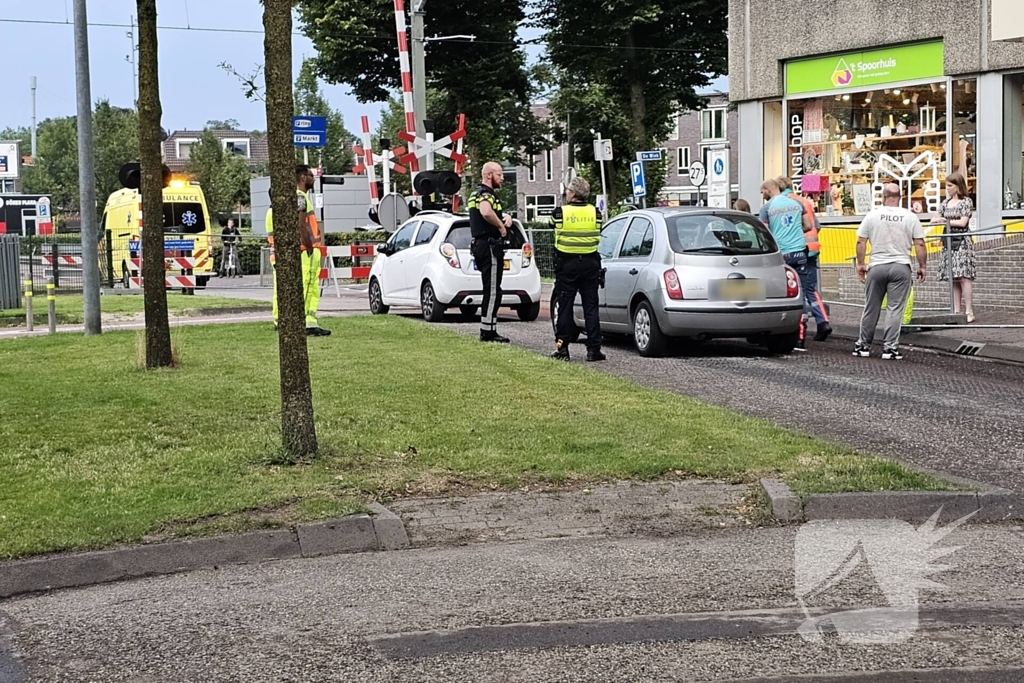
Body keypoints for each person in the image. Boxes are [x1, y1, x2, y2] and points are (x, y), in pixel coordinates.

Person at [853, 183, 927, 360]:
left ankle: (863, 345)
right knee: (895, 308)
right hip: (901, 267)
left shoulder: (872, 216)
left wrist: (861, 264)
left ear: (884, 197)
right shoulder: (910, 217)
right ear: (900, 198)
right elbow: (920, 243)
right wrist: (922, 266)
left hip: (877, 266)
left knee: (871, 307)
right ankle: (890, 348)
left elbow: (860, 242)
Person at [760, 179, 831, 349]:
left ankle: (799, 336)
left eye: (762, 192)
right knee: (808, 291)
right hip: (802, 252)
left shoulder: (767, 208)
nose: (762, 195)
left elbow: (764, 234)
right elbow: (809, 226)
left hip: (783, 255)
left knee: (790, 295)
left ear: (768, 190)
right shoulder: (797, 203)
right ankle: (822, 322)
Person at [266, 165, 331, 337]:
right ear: (302, 177)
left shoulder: (271, 211)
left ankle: (281, 320)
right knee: (308, 286)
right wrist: (309, 245)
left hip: (279, 254)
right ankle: (307, 322)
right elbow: (302, 224)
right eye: (311, 175)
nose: (313, 178)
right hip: (305, 252)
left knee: (281, 289)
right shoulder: (300, 197)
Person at [550, 176, 604, 362]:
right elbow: (599, 230)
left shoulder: (560, 213)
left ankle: (562, 349)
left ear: (571, 193)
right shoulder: (596, 213)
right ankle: (594, 350)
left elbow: (552, 225)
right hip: (590, 264)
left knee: (565, 307)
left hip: (567, 265)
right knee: (591, 308)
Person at [467, 162, 513, 343]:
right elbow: (486, 212)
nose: (502, 178)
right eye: (499, 175)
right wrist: (501, 227)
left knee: (492, 288)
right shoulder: (486, 194)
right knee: (493, 290)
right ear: (488, 175)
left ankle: (489, 328)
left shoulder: (475, 194)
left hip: (481, 244)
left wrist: (506, 217)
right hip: (490, 246)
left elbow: (486, 213)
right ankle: (488, 331)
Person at [934, 172, 976, 323]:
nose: (947, 189)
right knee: (954, 278)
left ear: (958, 186)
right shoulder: (945, 203)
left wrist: (945, 221)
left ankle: (969, 311)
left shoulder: (966, 202)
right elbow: (935, 217)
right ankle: (956, 311)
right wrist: (939, 220)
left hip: (962, 241)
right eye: (946, 186)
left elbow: (963, 222)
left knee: (964, 277)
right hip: (948, 241)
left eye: (950, 186)